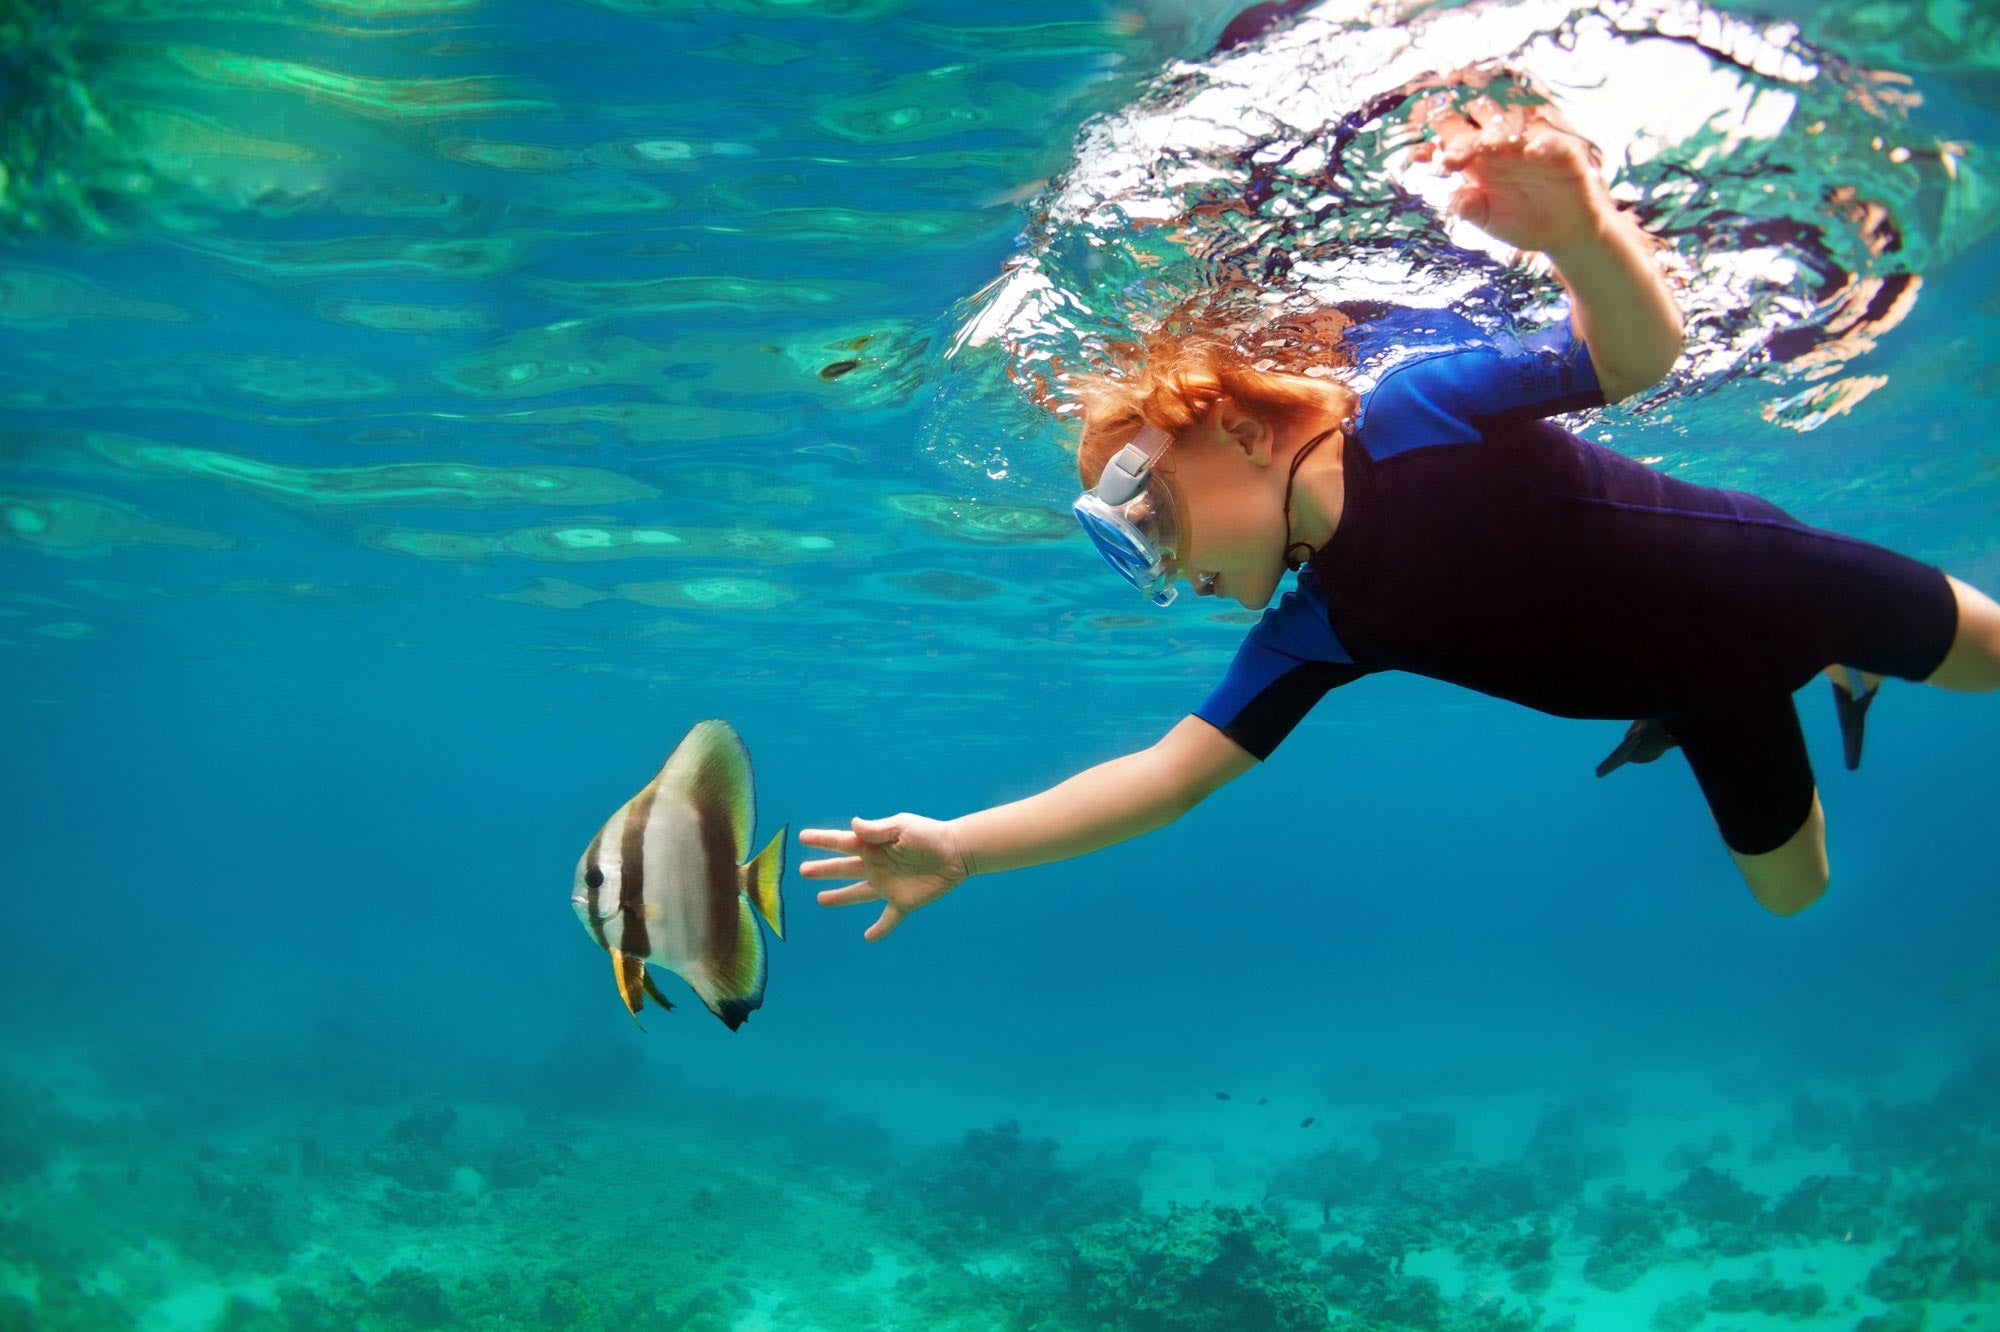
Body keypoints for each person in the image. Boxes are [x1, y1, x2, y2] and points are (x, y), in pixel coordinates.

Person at [801, 88, 2000, 937]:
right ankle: (1774, 690)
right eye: (1137, 548)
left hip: (1781, 584)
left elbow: (1629, 360)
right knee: (1796, 899)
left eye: (1149, 514)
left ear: (1237, 427)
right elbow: (1168, 777)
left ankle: (1844, 654)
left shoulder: (1419, 409)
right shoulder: (1314, 627)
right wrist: (965, 845)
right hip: (1693, 690)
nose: (1162, 565)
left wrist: (1580, 236)